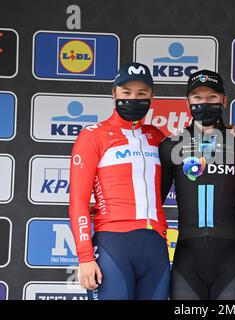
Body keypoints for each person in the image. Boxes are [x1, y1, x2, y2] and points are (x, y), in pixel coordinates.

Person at [69, 62, 170, 300]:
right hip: (113, 244)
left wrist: (224, 134)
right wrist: (85, 257)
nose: (133, 99)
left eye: (141, 93)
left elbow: (194, 155)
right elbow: (78, 201)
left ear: (151, 96)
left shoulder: (157, 137)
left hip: (155, 246)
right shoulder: (93, 135)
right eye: (126, 93)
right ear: (114, 93)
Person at [159, 70, 235, 300]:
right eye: (197, 97)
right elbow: (151, 201)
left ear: (224, 100)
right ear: (188, 102)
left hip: (230, 260)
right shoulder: (171, 146)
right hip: (187, 260)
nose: (204, 103)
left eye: (212, 97)